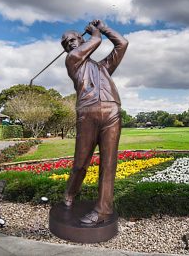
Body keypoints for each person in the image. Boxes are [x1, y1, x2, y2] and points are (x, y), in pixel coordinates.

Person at [61, 19, 128, 225]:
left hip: (112, 113)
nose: (70, 43)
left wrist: (105, 27)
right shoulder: (72, 60)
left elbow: (122, 44)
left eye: (73, 39)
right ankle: (70, 192)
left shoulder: (103, 67)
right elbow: (96, 41)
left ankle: (103, 210)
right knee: (81, 163)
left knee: (109, 163)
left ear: (80, 38)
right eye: (65, 43)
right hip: (87, 114)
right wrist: (95, 32)